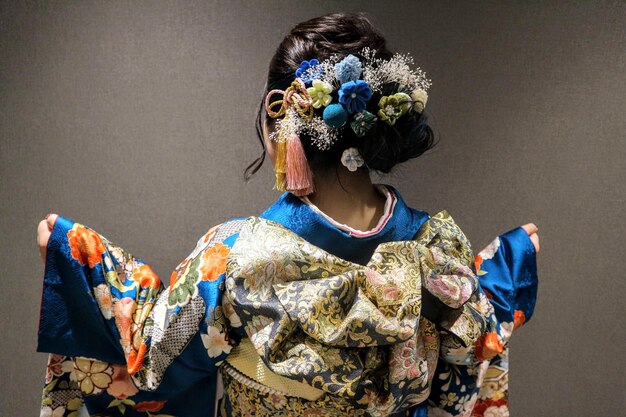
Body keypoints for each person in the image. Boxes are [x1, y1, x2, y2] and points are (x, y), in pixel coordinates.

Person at [35, 12, 539, 417]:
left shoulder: (235, 260)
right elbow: (465, 369)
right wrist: (508, 268)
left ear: (282, 125)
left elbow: (156, 358)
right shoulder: (437, 251)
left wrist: (76, 260)